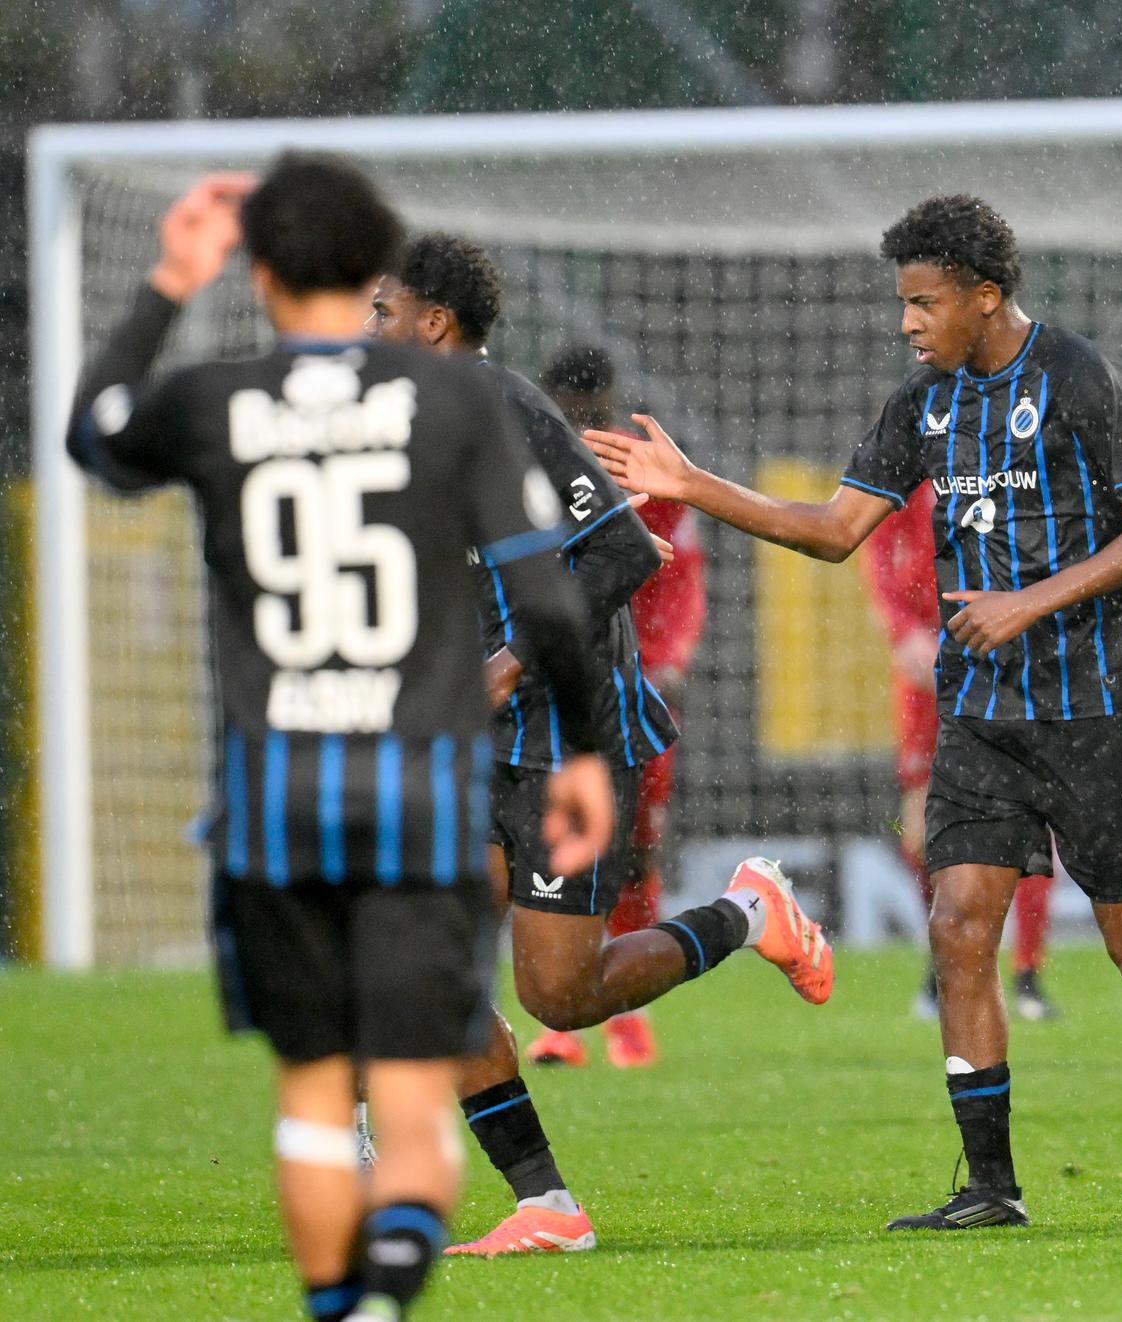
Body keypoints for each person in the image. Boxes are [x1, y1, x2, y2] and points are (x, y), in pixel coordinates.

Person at [586, 193, 1122, 1232]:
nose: (908, 322)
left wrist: (1031, 600)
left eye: (924, 301)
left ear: (986, 297)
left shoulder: (1078, 376)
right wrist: (692, 482)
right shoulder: (923, 405)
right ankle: (991, 1183)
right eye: (902, 301)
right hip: (983, 712)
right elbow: (831, 529)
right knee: (956, 927)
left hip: (1100, 709)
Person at [65, 157, 616, 1322]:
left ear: (258, 272)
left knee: (322, 1087)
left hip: (279, 795)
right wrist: (577, 755)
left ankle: (345, 1299)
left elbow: (92, 432)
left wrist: (169, 281)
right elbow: (557, 603)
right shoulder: (454, 403)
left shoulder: (216, 399)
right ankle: (403, 1268)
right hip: (420, 783)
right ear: (366, 270)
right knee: (418, 1066)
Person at [368, 236, 833, 1258]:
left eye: (385, 309)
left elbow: (623, 552)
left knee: (559, 995)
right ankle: (545, 1201)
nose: (373, 329)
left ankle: (751, 909)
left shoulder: (515, 412)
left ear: (435, 322)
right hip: (477, 742)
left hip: (569, 740)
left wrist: (503, 664)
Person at [522, 344, 712, 1069]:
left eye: (589, 413)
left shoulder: (642, 467)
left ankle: (628, 1023)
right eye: (567, 414)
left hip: (632, 688)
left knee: (633, 853)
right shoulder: (519, 465)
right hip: (548, 693)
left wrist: (666, 659)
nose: (579, 425)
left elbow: (682, 573)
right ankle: (561, 1023)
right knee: (550, 848)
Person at [862, 481, 1061, 1021]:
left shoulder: (1012, 465)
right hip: (929, 673)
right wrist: (903, 633)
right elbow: (876, 552)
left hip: (1006, 660)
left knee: (1030, 815)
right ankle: (944, 958)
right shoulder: (915, 475)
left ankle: (1027, 974)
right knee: (918, 832)